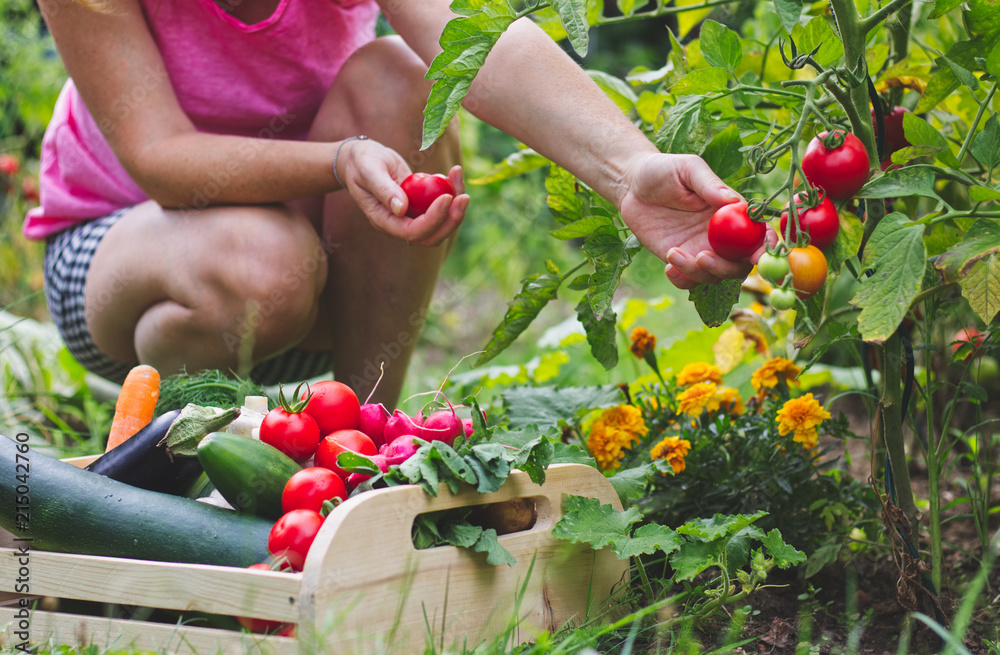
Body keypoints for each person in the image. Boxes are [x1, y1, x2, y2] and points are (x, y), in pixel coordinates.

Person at [27, 0, 765, 408]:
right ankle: (178, 453)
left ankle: (363, 434)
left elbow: (477, 46)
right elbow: (162, 160)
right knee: (257, 262)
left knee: (404, 76)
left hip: (325, 267)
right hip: (129, 263)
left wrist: (629, 166)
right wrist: (340, 160)